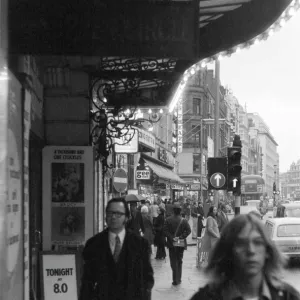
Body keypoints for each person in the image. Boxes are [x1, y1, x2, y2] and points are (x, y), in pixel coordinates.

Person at [190, 213, 300, 300]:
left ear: (267, 250)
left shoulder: (288, 296)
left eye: (257, 242)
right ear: (228, 251)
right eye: (241, 244)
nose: (251, 251)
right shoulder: (206, 297)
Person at [79, 197, 154, 300]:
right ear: (105, 217)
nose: (113, 217)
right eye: (110, 213)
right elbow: (87, 282)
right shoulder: (93, 244)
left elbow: (147, 277)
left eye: (118, 214)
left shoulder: (140, 245)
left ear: (126, 217)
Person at [163, 202, 191, 286]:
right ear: (180, 211)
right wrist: (181, 237)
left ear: (173, 210)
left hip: (172, 243)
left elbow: (165, 231)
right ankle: (179, 279)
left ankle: (175, 279)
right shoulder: (184, 220)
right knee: (179, 260)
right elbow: (188, 231)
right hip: (180, 243)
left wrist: (172, 238)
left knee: (173, 261)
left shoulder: (168, 219)